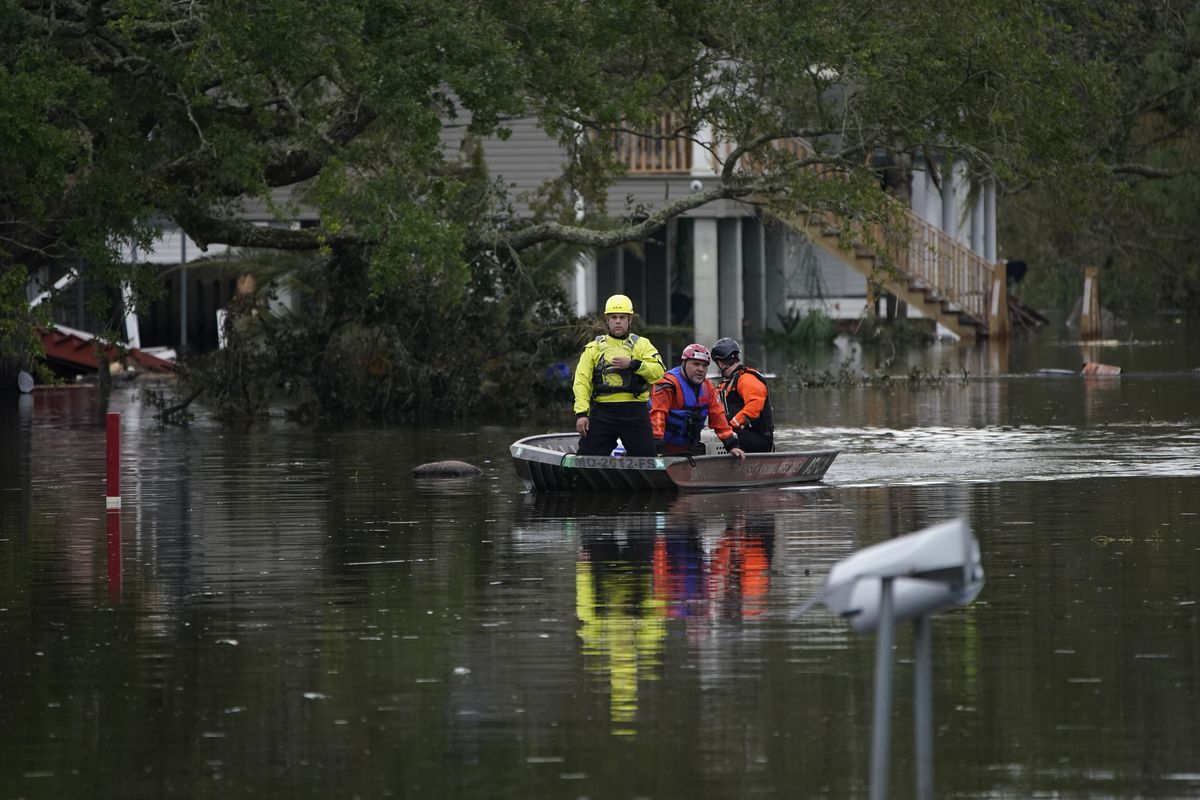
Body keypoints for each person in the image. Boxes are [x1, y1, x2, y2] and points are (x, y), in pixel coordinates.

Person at [572, 294, 666, 457]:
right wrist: (581, 414)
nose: (618, 321)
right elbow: (581, 382)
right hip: (603, 413)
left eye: (622, 317)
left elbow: (659, 373)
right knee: (585, 458)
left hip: (635, 413)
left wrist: (633, 364)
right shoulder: (593, 348)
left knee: (647, 459)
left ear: (629, 321)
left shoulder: (642, 345)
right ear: (607, 320)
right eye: (613, 317)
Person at [650, 343, 745, 460]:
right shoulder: (667, 384)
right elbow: (658, 415)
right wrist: (657, 445)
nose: (701, 369)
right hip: (663, 449)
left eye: (705, 366)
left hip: (689, 448)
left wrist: (731, 445)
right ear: (684, 363)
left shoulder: (708, 387)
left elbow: (718, 417)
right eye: (696, 364)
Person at [711, 337, 775, 453]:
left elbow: (754, 405)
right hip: (740, 434)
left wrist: (733, 424)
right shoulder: (727, 383)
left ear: (720, 363)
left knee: (719, 437)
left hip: (758, 440)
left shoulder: (747, 379)